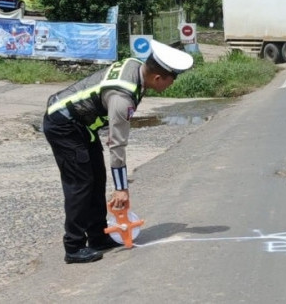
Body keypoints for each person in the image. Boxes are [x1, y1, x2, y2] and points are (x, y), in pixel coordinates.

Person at [43, 39, 193, 263]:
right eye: (170, 82)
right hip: (64, 125)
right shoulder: (122, 97)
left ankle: (97, 236)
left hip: (82, 125)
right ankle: (73, 247)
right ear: (158, 78)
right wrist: (121, 189)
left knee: (97, 177)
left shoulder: (135, 66)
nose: (169, 86)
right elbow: (118, 144)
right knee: (80, 183)